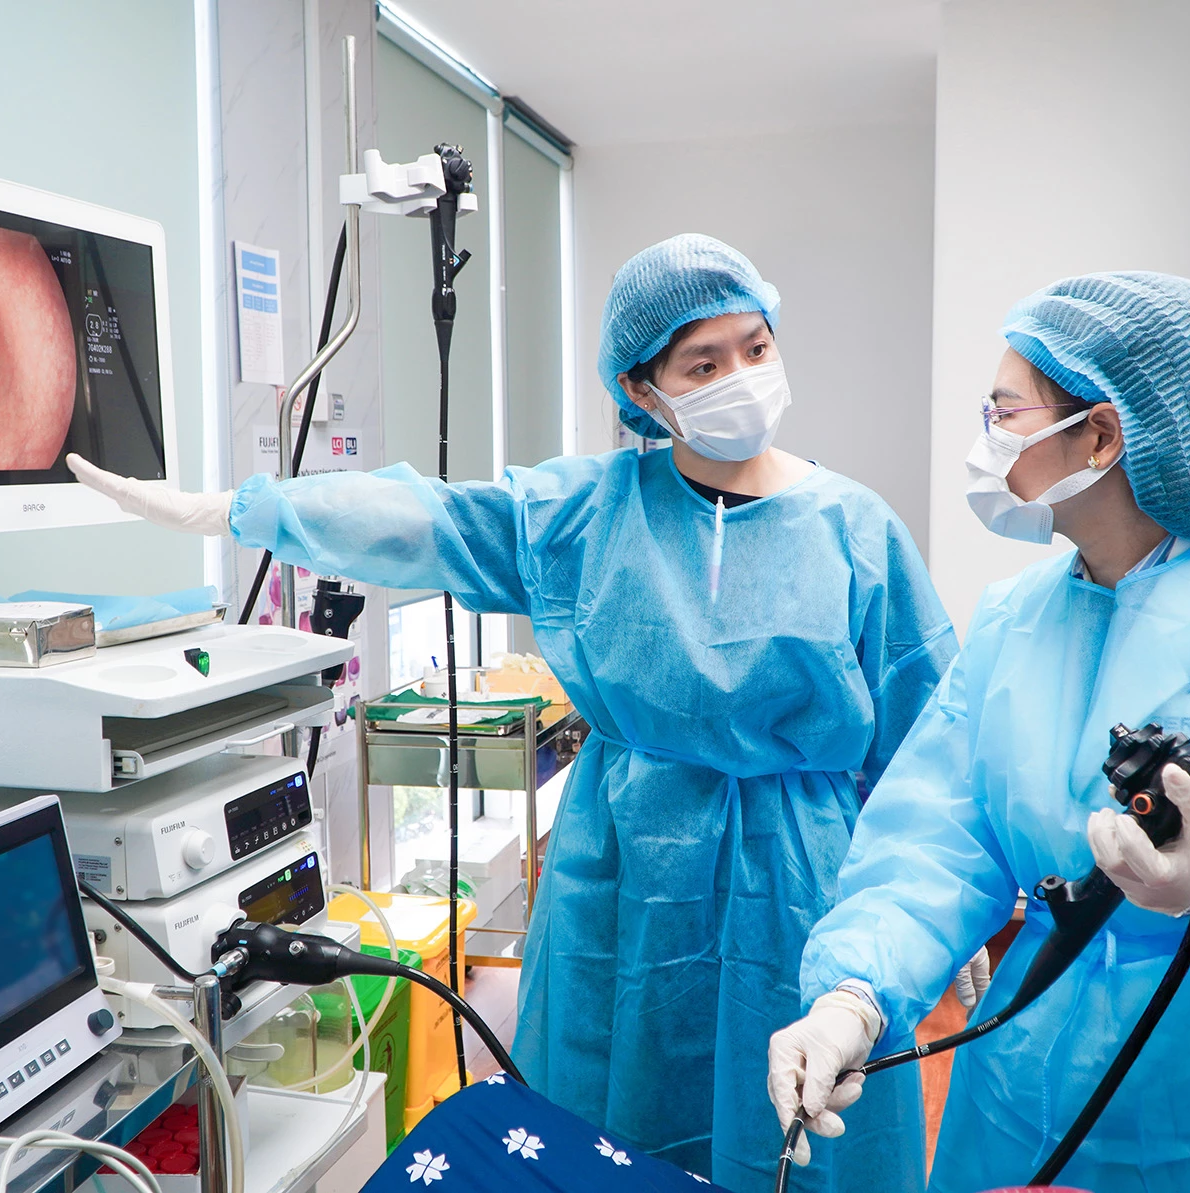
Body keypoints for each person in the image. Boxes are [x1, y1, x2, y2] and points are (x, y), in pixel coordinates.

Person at [73, 233, 958, 1191]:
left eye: (755, 348)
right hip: (626, 870)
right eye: (703, 364)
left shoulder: (856, 528)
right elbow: (426, 520)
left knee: (797, 1115)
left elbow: (930, 738)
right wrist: (244, 511)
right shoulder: (587, 513)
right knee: (610, 1129)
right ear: (644, 390)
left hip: (799, 874)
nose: (740, 377)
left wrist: (935, 910)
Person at [768, 271, 1190, 1192]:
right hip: (1024, 1107)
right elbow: (937, 842)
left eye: (1004, 411)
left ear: (1100, 434)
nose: (988, 435)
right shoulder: (1015, 621)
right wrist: (854, 993)